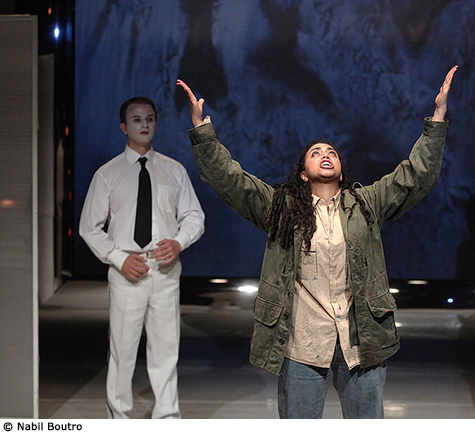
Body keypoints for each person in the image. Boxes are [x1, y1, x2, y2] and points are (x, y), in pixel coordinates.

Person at [177, 65, 457, 418]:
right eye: (316, 152)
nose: (326, 154)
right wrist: (203, 131)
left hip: (360, 341)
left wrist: (437, 117)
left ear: (340, 167)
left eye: (332, 152)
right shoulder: (282, 207)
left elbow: (415, 176)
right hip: (303, 343)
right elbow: (233, 181)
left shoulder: (365, 203)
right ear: (303, 173)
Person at [79, 96, 205, 418]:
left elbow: (194, 216)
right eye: (136, 119)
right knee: (122, 352)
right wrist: (118, 258)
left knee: (166, 350)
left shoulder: (173, 170)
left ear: (156, 123)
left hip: (164, 269)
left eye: (149, 118)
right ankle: (119, 419)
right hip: (126, 271)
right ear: (124, 127)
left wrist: (178, 242)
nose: (144, 124)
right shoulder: (108, 174)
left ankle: (167, 418)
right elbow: (89, 227)